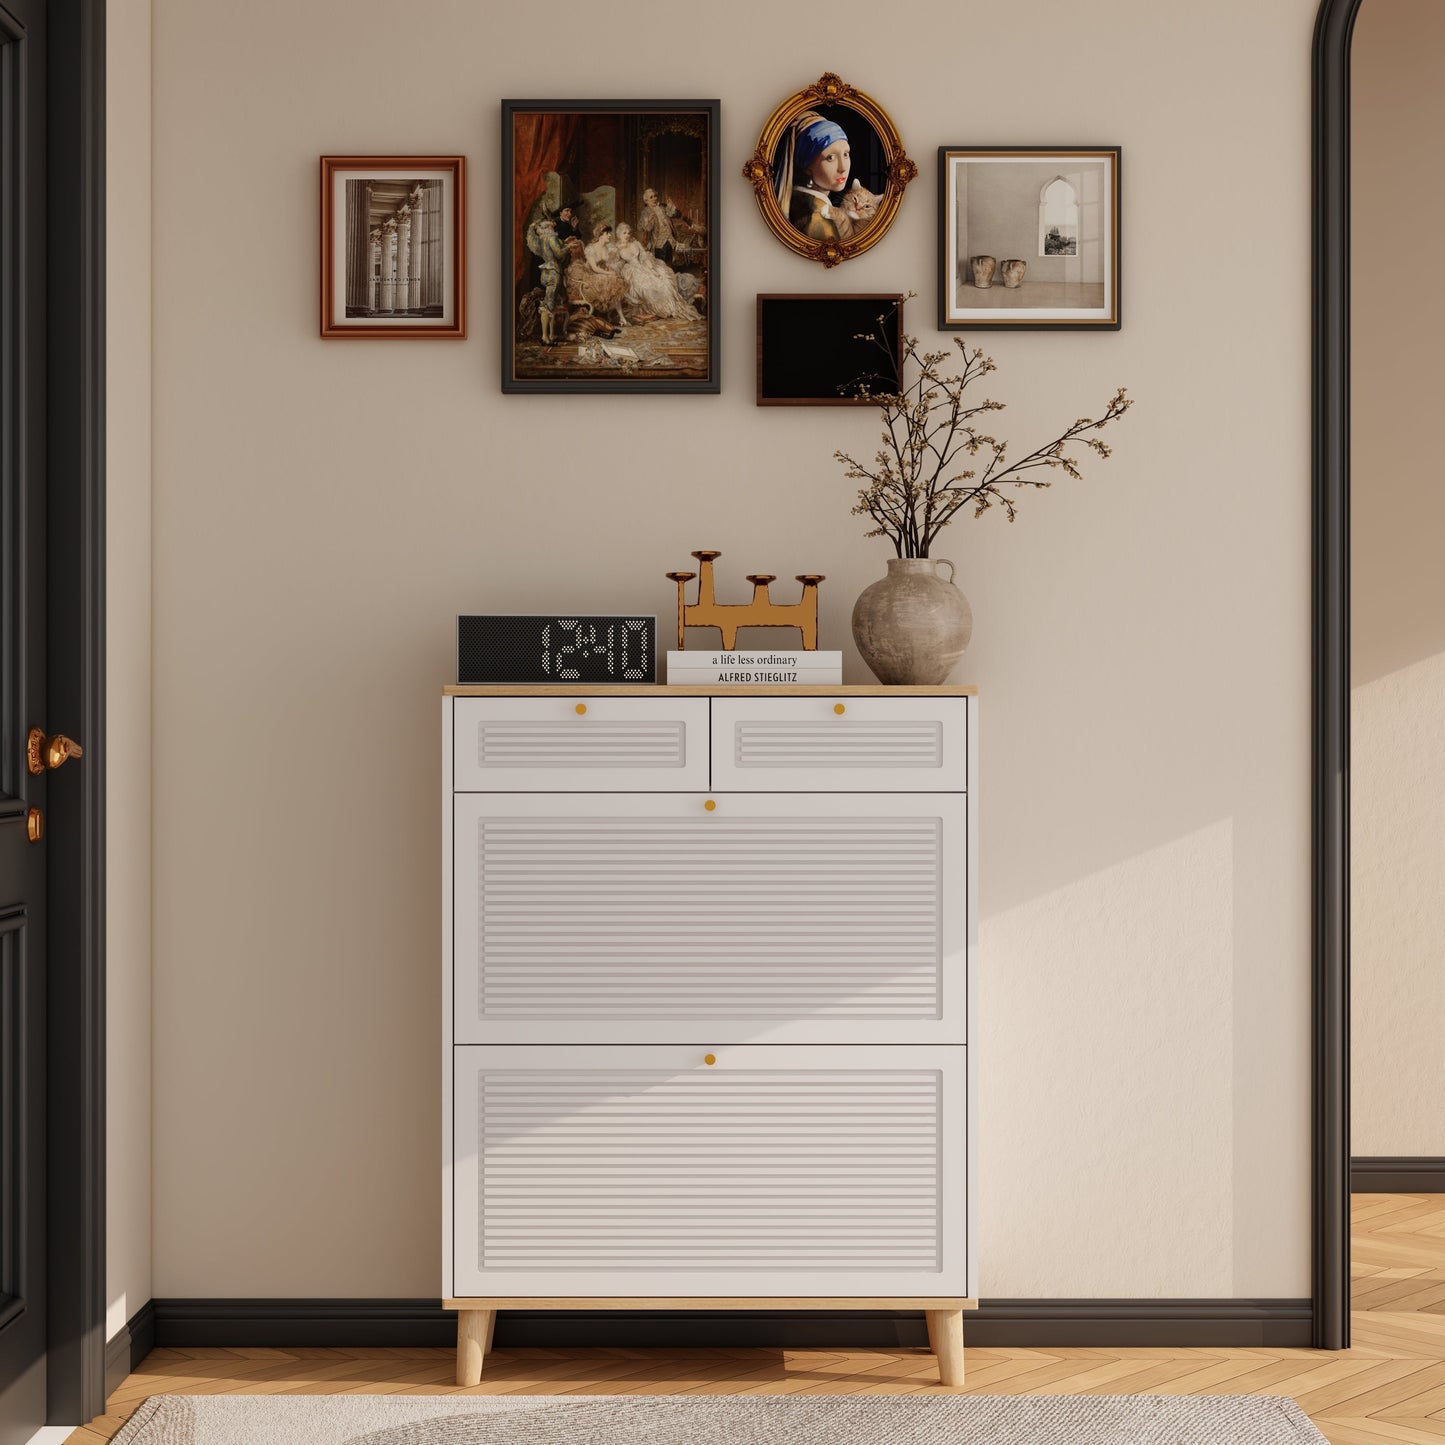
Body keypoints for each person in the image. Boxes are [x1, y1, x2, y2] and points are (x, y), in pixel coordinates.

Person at [773, 109, 858, 245]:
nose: (842, 167)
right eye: (830, 158)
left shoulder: (795, 199)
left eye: (846, 154)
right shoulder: (819, 220)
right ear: (807, 166)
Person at [613, 223, 698, 321]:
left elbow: (644, 257)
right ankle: (658, 310)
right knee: (646, 288)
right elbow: (615, 264)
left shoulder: (635, 243)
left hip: (644, 266)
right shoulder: (616, 248)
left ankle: (669, 308)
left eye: (628, 233)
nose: (627, 235)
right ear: (619, 235)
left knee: (663, 281)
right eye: (624, 233)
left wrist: (652, 270)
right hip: (631, 271)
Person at [524, 215, 570, 345]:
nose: (553, 223)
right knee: (548, 305)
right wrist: (568, 247)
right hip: (554, 272)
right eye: (551, 223)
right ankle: (545, 337)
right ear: (548, 227)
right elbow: (559, 254)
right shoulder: (552, 238)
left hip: (545, 272)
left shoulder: (542, 240)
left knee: (551, 303)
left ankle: (550, 335)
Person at [637, 188, 684, 265]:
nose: (654, 199)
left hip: (671, 241)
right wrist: (648, 221)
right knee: (661, 266)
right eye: (651, 197)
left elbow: (677, 215)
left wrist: (672, 207)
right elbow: (643, 228)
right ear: (646, 201)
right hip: (659, 243)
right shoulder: (645, 212)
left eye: (655, 196)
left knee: (670, 264)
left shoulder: (663, 207)